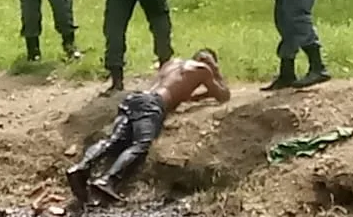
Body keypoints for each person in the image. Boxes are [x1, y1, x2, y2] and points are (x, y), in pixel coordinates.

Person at [65, 49, 230, 204]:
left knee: (113, 140)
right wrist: (215, 70)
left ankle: (82, 166)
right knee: (141, 144)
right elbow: (223, 95)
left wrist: (200, 96)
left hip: (136, 98)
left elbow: (182, 95)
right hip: (152, 105)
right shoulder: (203, 69)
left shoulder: (173, 63)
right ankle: (108, 180)